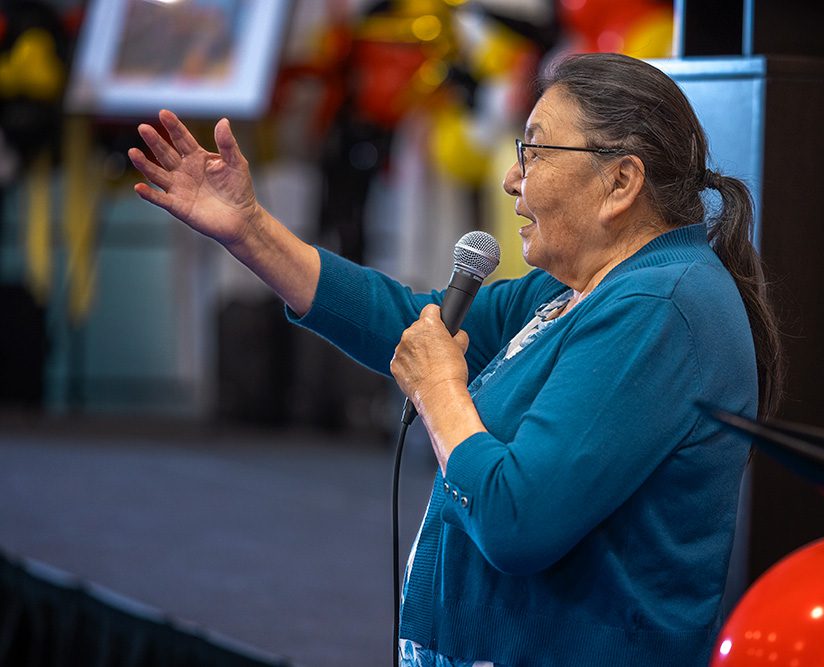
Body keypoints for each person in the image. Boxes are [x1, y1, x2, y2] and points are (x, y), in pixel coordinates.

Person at [130, 52, 782, 667]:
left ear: (620, 181)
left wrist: (442, 394)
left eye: (534, 149)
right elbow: (409, 322)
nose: (510, 176)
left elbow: (517, 520)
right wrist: (249, 228)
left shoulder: (658, 307)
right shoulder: (587, 287)